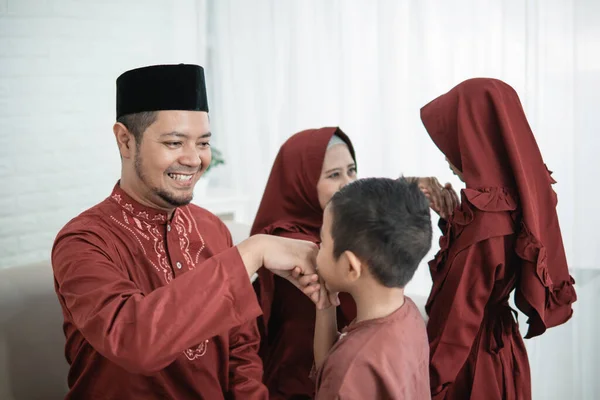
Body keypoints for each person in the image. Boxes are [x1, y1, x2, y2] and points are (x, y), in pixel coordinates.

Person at [51, 64, 320, 400]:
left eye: (203, 143)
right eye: (175, 142)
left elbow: (241, 352)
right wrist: (253, 252)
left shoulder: (211, 229)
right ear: (125, 140)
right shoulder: (83, 242)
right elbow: (134, 342)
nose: (194, 159)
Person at [420, 78, 577, 399]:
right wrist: (451, 221)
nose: (448, 159)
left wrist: (419, 385)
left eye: (454, 141)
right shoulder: (513, 199)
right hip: (499, 351)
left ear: (477, 138)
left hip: (469, 366)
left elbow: (455, 329)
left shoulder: (487, 222)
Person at [250, 127, 359, 399]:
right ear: (302, 182)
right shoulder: (288, 241)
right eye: (334, 175)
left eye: (352, 170)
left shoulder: (336, 228)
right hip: (299, 382)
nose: (349, 183)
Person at [309, 177, 433, 399]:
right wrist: (325, 307)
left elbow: (339, 372)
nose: (317, 249)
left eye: (323, 243)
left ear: (350, 266)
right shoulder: (408, 315)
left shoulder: (350, 365)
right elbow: (330, 363)